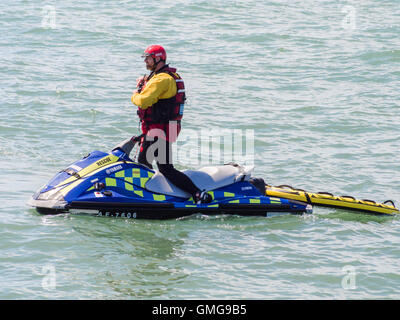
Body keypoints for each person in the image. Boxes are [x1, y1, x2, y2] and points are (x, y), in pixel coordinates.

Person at [131, 45, 211, 204]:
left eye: (148, 58)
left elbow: (143, 101)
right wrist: (144, 83)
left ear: (158, 58)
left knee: (163, 168)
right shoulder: (164, 76)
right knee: (146, 164)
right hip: (164, 128)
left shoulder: (162, 79)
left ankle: (198, 194)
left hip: (159, 130)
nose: (145, 61)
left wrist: (136, 92)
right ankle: (152, 193)